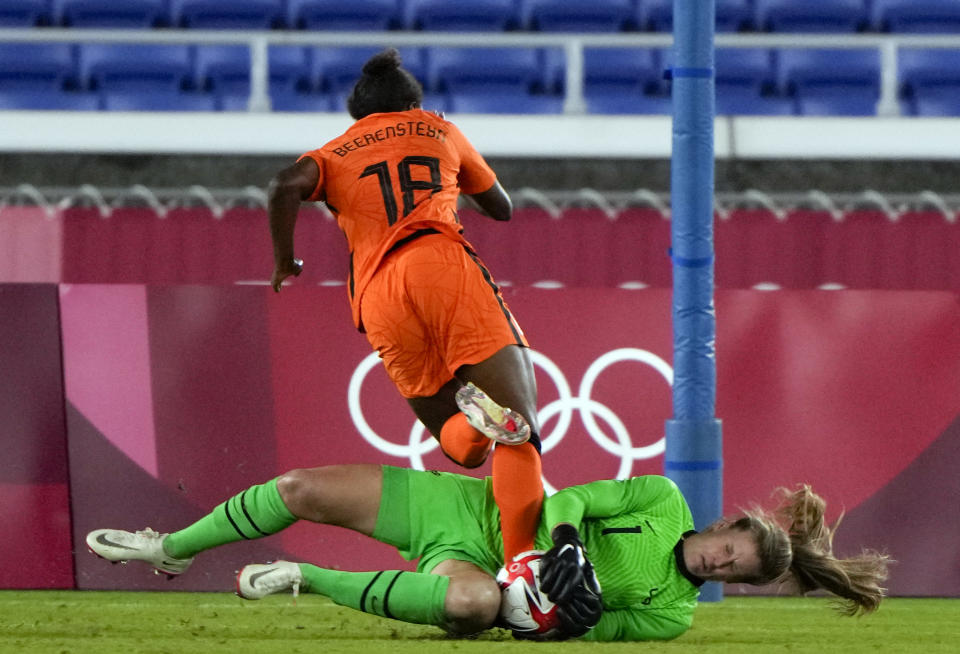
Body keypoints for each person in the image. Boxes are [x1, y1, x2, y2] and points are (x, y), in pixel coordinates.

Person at [265, 47, 543, 568]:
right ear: (412, 101)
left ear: (358, 112)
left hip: (378, 294)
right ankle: (522, 567)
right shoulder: (438, 130)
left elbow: (284, 186)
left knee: (460, 446)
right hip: (440, 262)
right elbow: (500, 208)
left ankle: (477, 424)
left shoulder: (333, 151)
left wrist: (286, 261)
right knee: (522, 429)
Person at [86, 464, 890, 641]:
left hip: (491, 576)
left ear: (737, 583)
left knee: (472, 608)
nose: (721, 563)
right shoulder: (664, 501)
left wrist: (553, 616)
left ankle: (303, 577)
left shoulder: (669, 614)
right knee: (299, 489)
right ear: (724, 527)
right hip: (471, 509)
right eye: (730, 547)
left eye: (735, 572)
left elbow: (574, 635)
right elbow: (573, 499)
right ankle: (171, 548)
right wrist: (566, 541)